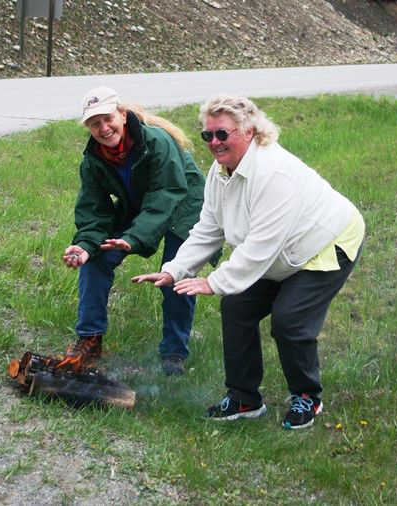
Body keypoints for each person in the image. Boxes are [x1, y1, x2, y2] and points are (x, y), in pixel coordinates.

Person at [133, 94, 365, 429]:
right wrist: (174, 270)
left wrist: (214, 281)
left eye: (222, 134)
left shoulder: (273, 174)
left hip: (326, 241)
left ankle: (306, 396)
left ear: (250, 132)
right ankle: (244, 399)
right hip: (280, 252)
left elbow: (260, 247)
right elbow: (209, 227)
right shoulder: (220, 171)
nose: (214, 142)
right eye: (208, 135)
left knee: (289, 321)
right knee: (237, 307)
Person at [63, 86, 207, 376]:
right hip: (141, 201)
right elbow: (93, 209)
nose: (104, 128)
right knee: (96, 258)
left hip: (184, 201)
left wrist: (133, 238)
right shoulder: (93, 159)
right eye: (94, 123)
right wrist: (85, 245)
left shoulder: (157, 141)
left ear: (123, 115)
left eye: (108, 119)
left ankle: (173, 353)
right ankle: (89, 340)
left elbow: (166, 193)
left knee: (177, 271)